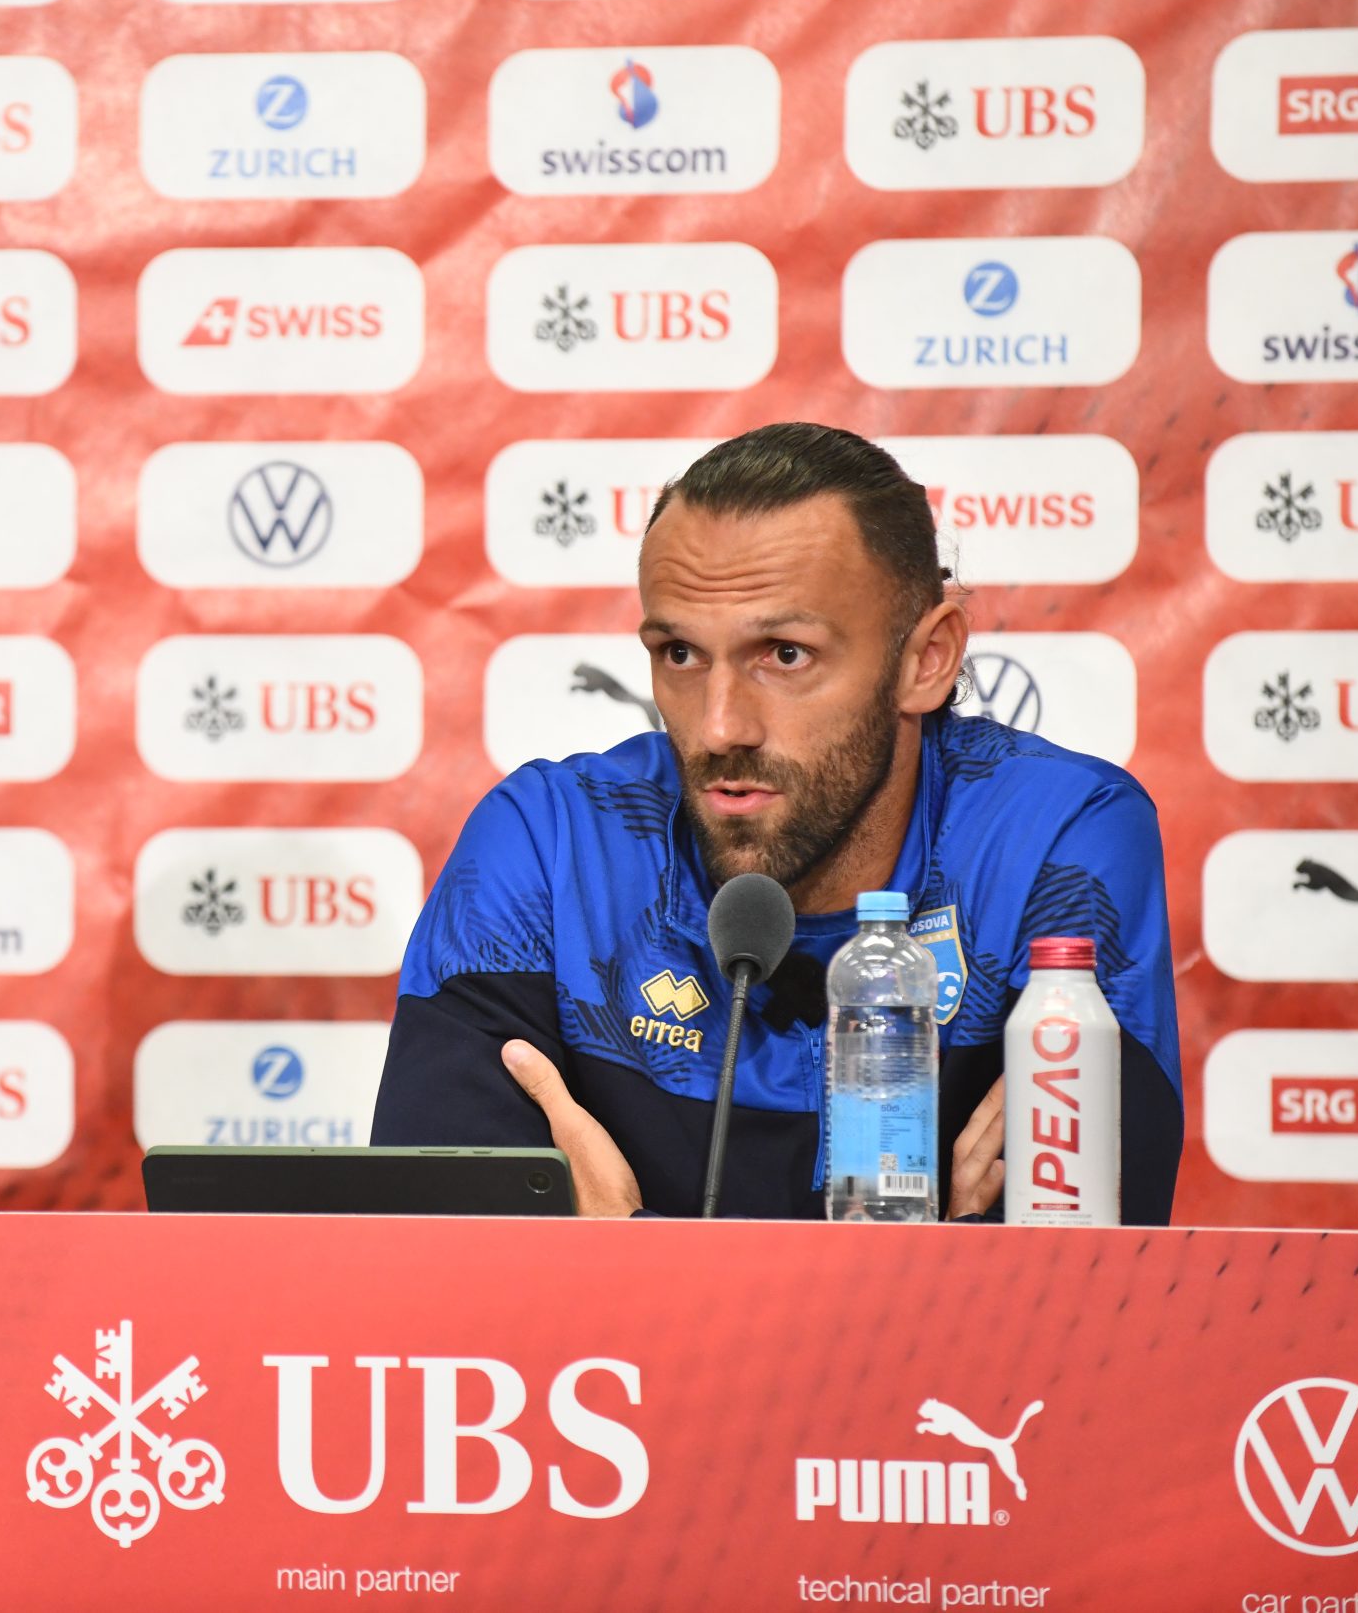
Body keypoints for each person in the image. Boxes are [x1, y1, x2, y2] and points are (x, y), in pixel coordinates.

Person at [372, 423, 1184, 1221]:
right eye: (681, 654)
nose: (719, 727)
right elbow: (438, 1264)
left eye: (785, 654)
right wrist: (940, 1260)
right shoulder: (551, 842)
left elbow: (1083, 1281)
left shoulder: (1054, 839)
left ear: (927, 658)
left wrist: (621, 1246)